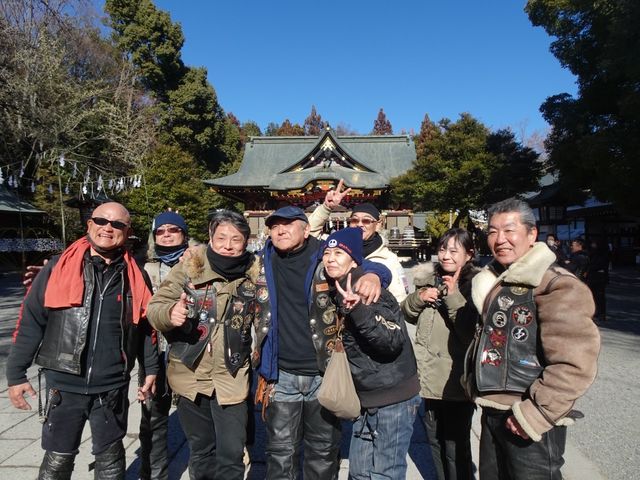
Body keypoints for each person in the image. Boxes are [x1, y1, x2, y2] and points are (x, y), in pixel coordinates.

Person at [6, 202, 158, 480]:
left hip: (112, 384)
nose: (108, 228)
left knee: (111, 461)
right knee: (58, 460)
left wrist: (150, 370)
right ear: (89, 225)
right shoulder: (57, 268)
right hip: (64, 383)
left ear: (127, 232)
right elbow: (30, 322)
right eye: (101, 221)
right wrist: (16, 375)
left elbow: (146, 325)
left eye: (117, 224)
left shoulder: (136, 276)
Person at [465, 198, 600, 480]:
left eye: (509, 230)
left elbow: (574, 362)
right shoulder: (496, 280)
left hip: (527, 416)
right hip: (493, 408)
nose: (500, 239)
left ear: (532, 234)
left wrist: (536, 414)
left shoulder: (555, 284)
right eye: (492, 231)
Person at [256, 205, 391, 480]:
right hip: (280, 375)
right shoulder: (261, 260)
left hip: (323, 373)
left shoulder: (324, 255)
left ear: (306, 229)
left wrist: (374, 275)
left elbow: (366, 264)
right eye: (274, 226)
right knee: (280, 453)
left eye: (288, 225)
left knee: (323, 452)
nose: (280, 231)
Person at [146, 210, 268, 480]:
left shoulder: (256, 272)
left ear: (246, 241)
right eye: (221, 237)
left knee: (231, 453)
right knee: (201, 450)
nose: (228, 245)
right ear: (210, 238)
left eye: (236, 239)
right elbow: (155, 308)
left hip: (232, 375)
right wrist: (169, 313)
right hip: (190, 373)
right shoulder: (190, 266)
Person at [320, 227, 421, 479]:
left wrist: (358, 310)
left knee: (385, 472)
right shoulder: (338, 289)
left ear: (354, 260)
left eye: (339, 253)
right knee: (359, 472)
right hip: (365, 399)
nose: (331, 259)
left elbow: (391, 341)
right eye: (327, 253)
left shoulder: (371, 291)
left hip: (392, 398)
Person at [401, 228, 479, 480]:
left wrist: (453, 296)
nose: (446, 255)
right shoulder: (429, 279)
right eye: (443, 249)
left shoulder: (475, 286)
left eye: (454, 251)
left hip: (456, 380)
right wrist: (420, 297)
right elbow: (407, 314)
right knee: (434, 440)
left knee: (456, 446)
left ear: (469, 254)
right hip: (429, 378)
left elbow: (469, 332)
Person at [138, 210, 190, 480]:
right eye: (161, 231)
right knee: (153, 418)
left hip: (190, 351)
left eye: (173, 230)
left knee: (196, 418)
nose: (167, 235)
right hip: (154, 352)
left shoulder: (197, 261)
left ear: (184, 234)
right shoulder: (144, 267)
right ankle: (153, 474)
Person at [309, 182, 408, 302]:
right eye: (354, 220)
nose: (360, 224)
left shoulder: (389, 259)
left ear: (378, 225)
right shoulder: (334, 247)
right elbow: (308, 233)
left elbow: (400, 299)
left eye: (366, 221)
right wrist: (326, 208)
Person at [587, 239, 609, 321]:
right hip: (594, 277)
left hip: (599, 278)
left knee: (599, 297)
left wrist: (589, 268)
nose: (592, 245)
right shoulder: (594, 253)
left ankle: (601, 313)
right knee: (595, 296)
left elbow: (598, 266)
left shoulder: (602, 255)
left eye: (594, 244)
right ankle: (597, 312)